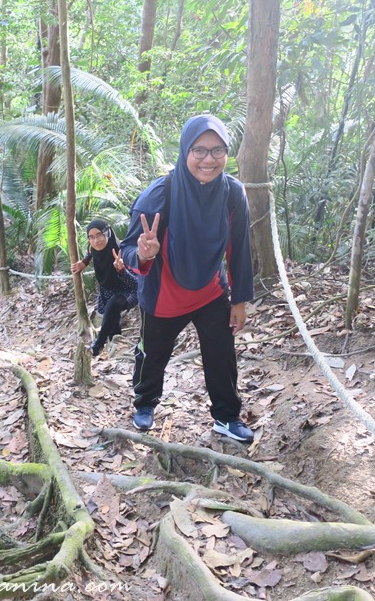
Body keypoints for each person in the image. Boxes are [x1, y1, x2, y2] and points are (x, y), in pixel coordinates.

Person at [120, 115, 255, 442]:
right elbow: (127, 251)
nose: (209, 159)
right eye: (200, 150)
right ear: (185, 151)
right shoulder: (159, 195)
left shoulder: (233, 193)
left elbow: (239, 248)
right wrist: (144, 254)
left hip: (210, 291)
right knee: (152, 354)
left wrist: (239, 300)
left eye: (218, 150)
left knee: (221, 353)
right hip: (164, 295)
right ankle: (145, 403)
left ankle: (226, 417)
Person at [72, 219, 138, 356]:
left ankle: (98, 344)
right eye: (91, 237)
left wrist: (122, 270)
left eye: (99, 235)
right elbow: (90, 252)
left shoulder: (123, 251)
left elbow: (137, 284)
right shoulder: (92, 248)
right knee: (112, 316)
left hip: (129, 290)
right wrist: (84, 262)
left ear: (107, 233)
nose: (96, 241)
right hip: (108, 290)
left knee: (113, 305)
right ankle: (115, 341)